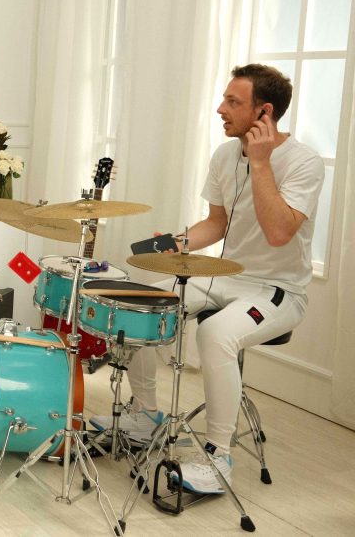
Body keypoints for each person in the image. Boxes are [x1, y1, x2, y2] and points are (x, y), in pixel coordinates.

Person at [90, 64, 325, 494]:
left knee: (215, 334)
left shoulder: (303, 162)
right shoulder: (223, 156)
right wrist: (173, 244)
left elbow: (279, 233)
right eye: (224, 99)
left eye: (233, 102)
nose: (220, 109)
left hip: (279, 290)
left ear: (264, 112)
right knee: (139, 306)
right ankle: (145, 415)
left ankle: (218, 459)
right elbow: (217, 223)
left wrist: (260, 162)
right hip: (226, 275)